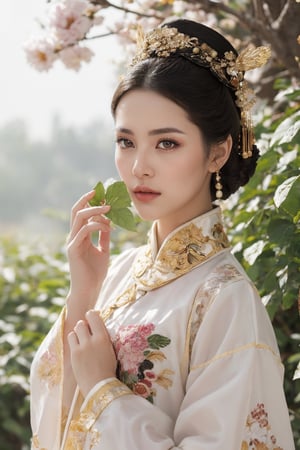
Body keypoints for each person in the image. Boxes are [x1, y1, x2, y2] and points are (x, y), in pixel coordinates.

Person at [30, 19, 295, 450]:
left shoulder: (225, 299)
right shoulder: (117, 273)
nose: (139, 167)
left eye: (166, 143)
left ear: (218, 151)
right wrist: (84, 290)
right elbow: (51, 408)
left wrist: (104, 390)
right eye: (126, 141)